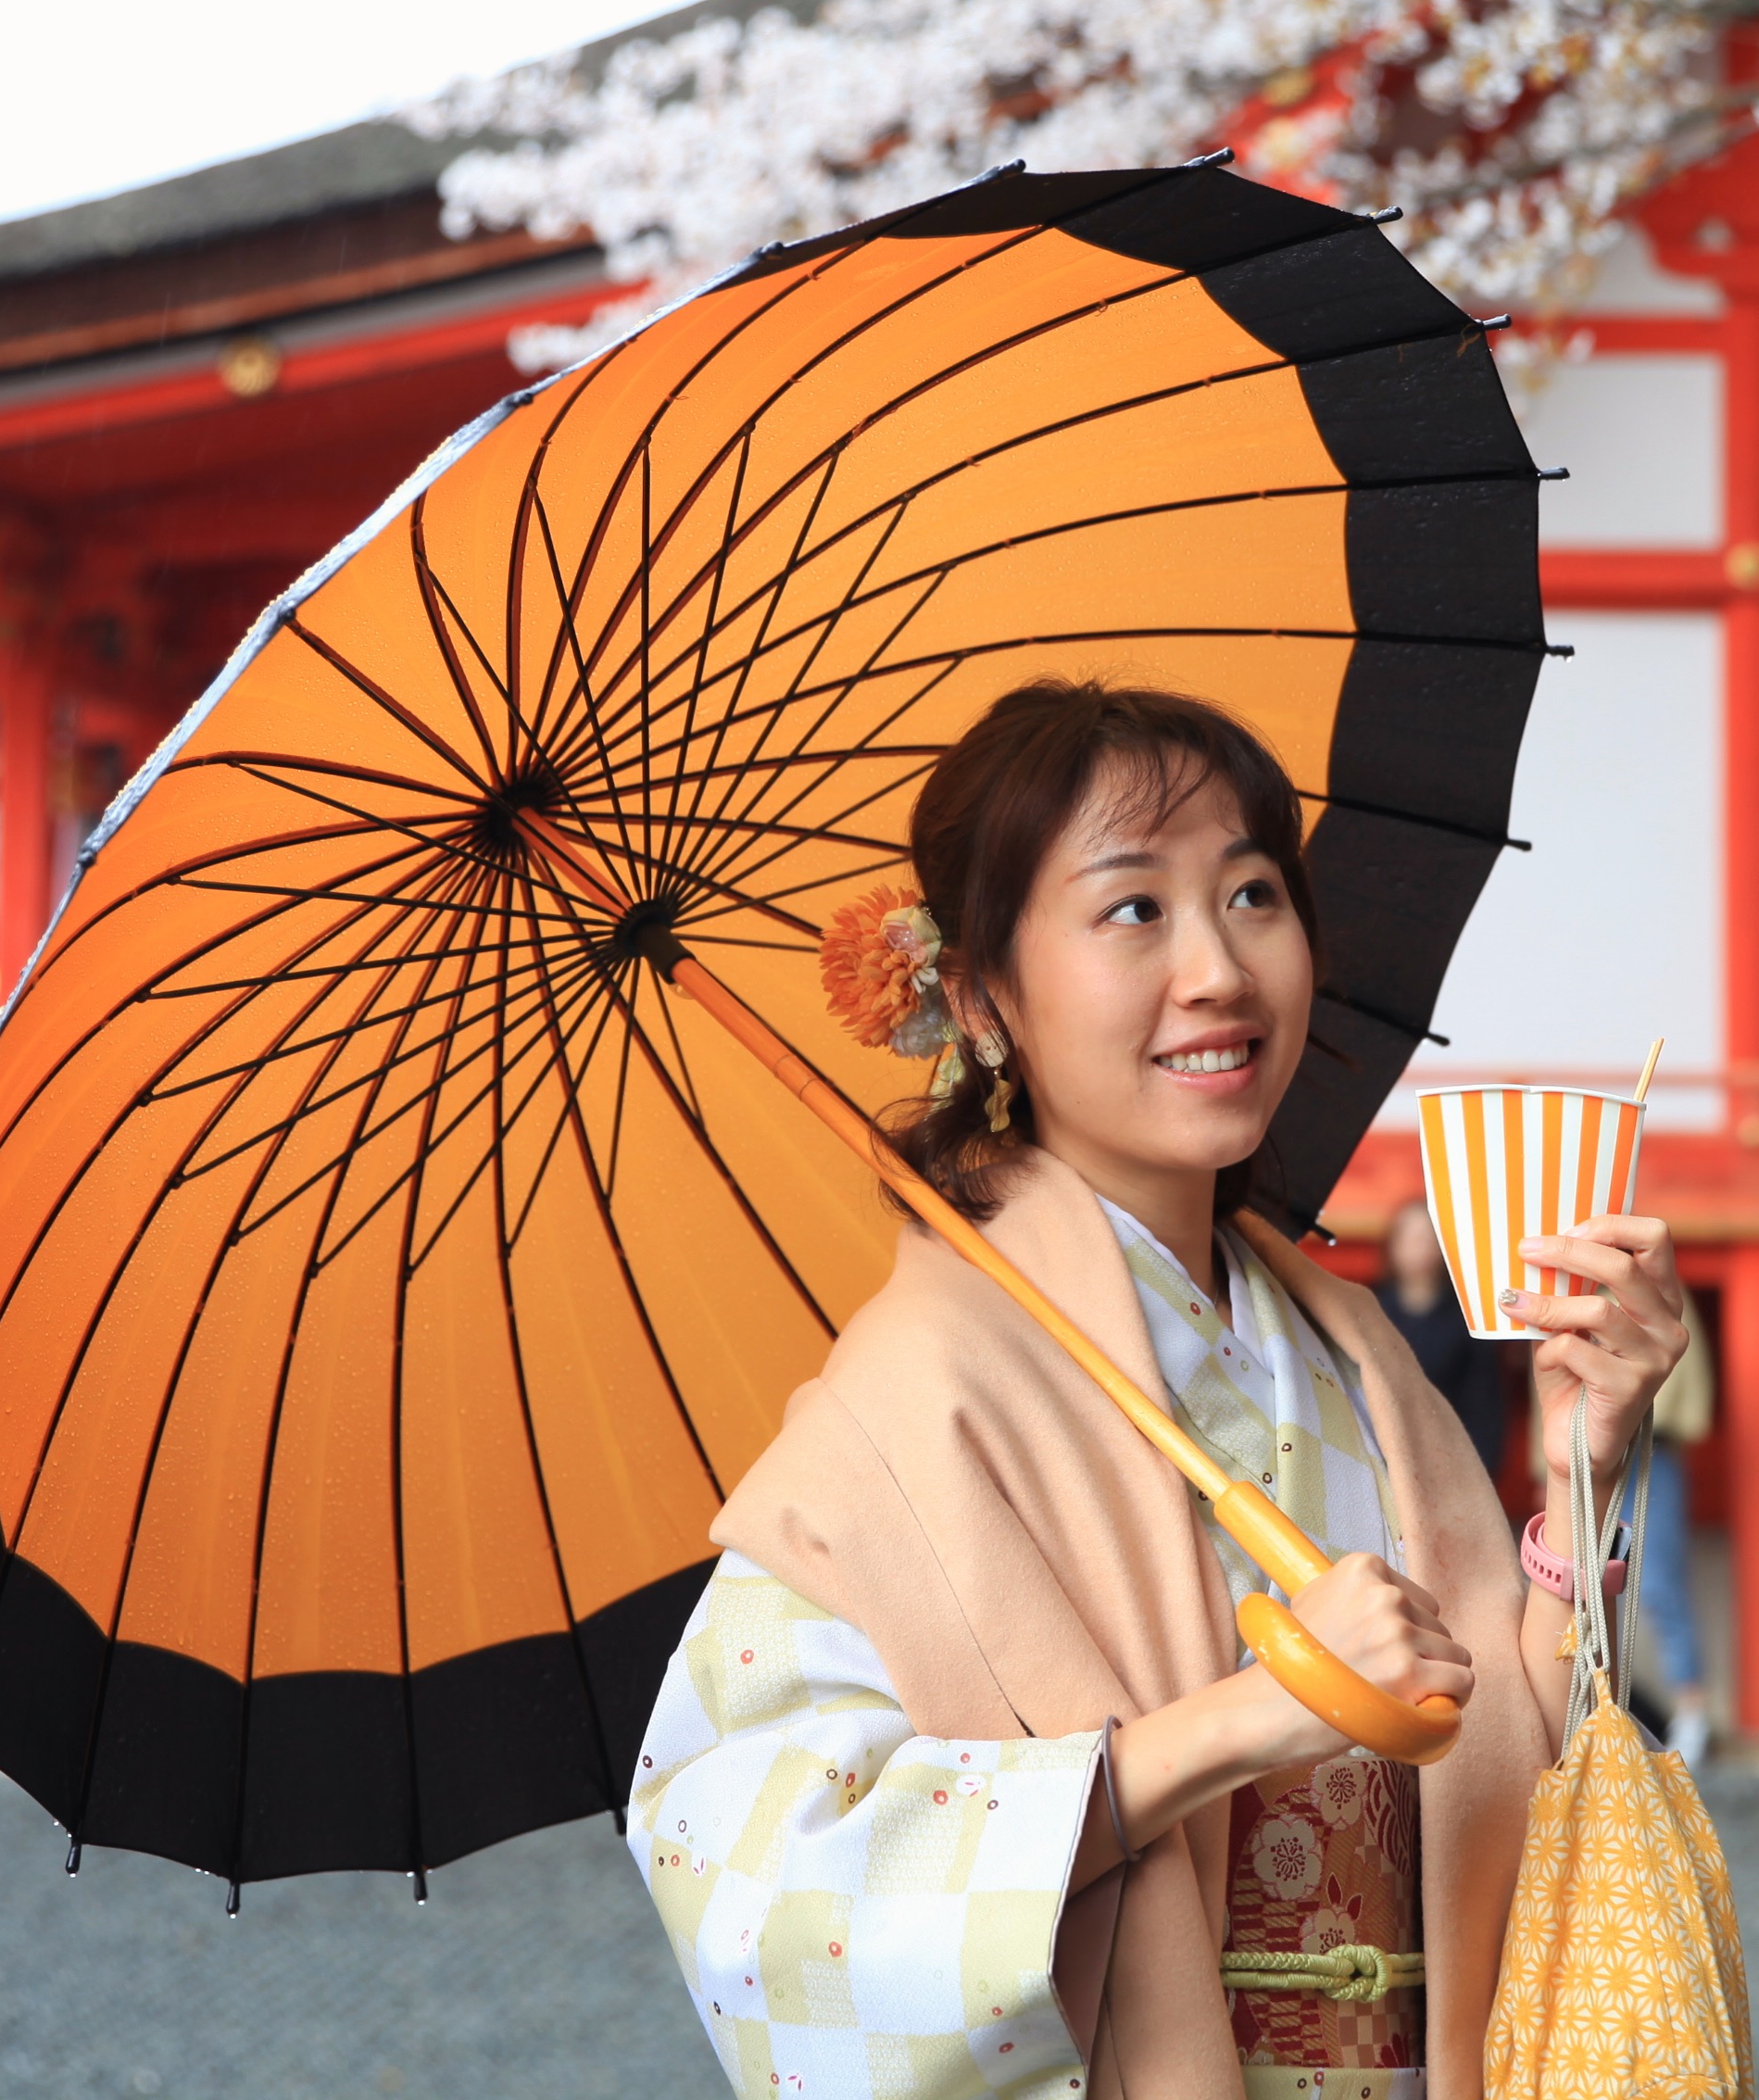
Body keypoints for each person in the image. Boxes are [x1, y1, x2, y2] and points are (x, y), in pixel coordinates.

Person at [629, 683, 1688, 2098]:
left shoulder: (1352, 1355)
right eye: (1134, 910)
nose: (1219, 971)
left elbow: (1513, 1772)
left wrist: (1580, 1466)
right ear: (981, 998)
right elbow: (760, 1888)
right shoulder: (908, 1415)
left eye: (1252, 893)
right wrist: (1241, 1724)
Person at [1633, 1288, 1715, 1767]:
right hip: (1583, 1451)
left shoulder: (1664, 1294)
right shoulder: (1574, 1292)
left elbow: (1685, 1371)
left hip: (1650, 1446)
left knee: (1660, 1585)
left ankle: (1691, 1709)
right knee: (1584, 1587)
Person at [1375, 1202, 1506, 1477]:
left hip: (1449, 1456)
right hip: (1379, 1452)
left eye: (1427, 1239)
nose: (1419, 1248)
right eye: (1410, 1238)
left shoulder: (1467, 1319)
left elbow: (1483, 1400)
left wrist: (1481, 1469)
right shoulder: (1371, 1308)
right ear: (1392, 1245)